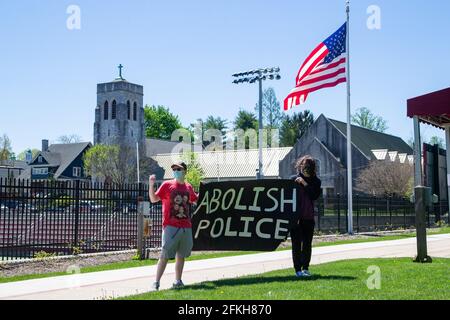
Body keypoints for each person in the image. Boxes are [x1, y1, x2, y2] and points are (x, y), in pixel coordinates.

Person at [149, 161, 198, 290]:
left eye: (179, 169)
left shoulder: (188, 187)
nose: (176, 171)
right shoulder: (167, 185)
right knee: (164, 256)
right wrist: (151, 185)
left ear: (184, 171)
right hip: (170, 227)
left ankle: (178, 281)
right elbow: (154, 199)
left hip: (186, 227)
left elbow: (196, 199)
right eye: (174, 169)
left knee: (181, 256)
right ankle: (156, 282)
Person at [290, 155, 322, 277]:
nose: (305, 168)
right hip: (296, 218)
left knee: (307, 244)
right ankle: (297, 270)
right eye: (303, 166)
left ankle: (305, 268)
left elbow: (314, 196)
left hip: (308, 218)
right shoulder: (293, 179)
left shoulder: (316, 181)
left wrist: (304, 183)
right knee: (296, 245)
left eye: (307, 167)